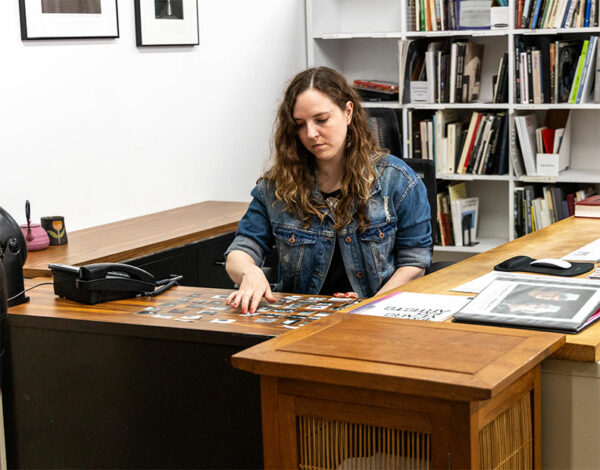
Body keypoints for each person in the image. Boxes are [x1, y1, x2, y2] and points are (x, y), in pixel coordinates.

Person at [225, 67, 432, 314]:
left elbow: (415, 263)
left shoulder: (398, 181)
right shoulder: (277, 186)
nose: (311, 134)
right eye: (300, 125)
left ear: (348, 112)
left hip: (375, 319)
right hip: (301, 322)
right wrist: (250, 272)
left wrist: (369, 305)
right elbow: (240, 251)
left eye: (321, 120)